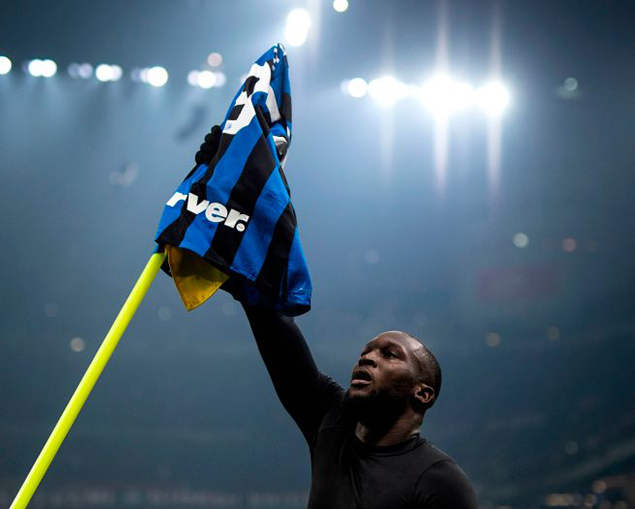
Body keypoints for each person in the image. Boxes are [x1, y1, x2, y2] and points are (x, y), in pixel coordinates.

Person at [196, 127, 478, 509]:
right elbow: (270, 319)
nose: (368, 357)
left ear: (422, 393)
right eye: (368, 351)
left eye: (390, 355)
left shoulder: (441, 481)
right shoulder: (333, 420)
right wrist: (233, 179)